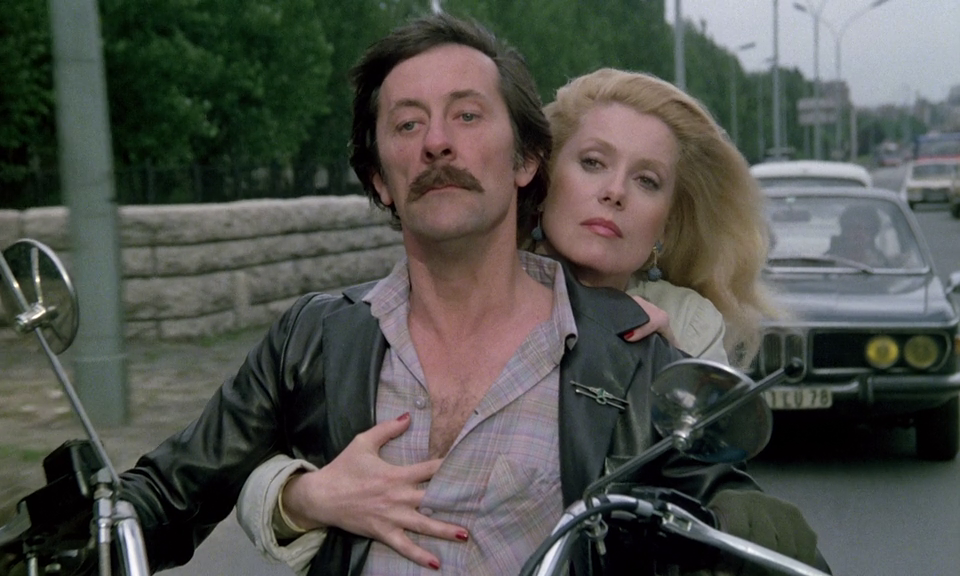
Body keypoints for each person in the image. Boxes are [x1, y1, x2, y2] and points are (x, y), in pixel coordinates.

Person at [118, 13, 820, 576]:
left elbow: (704, 494)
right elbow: (162, 496)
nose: (436, 143)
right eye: (407, 123)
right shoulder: (314, 336)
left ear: (526, 160)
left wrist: (746, 517)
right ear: (379, 179)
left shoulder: (635, 344)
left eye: (467, 115)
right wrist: (299, 496)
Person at [824, 204, 889, 267]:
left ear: (873, 233)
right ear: (845, 230)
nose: (860, 233)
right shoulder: (829, 261)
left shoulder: (881, 262)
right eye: (855, 228)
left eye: (867, 229)